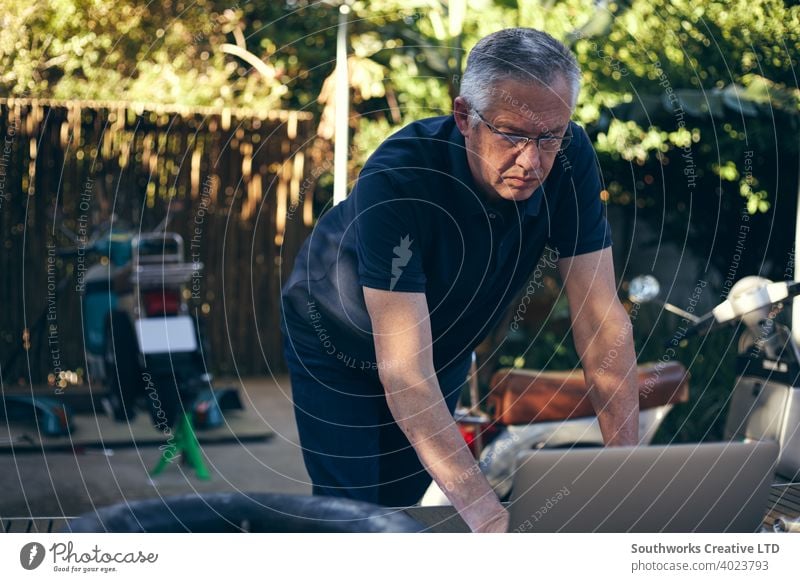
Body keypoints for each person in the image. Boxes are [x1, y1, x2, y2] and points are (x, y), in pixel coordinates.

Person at [280, 27, 639, 533]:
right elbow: (404, 371)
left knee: (404, 509)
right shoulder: (400, 175)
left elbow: (601, 319)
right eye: (512, 134)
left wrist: (631, 477)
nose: (531, 160)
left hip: (441, 344)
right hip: (336, 338)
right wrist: (486, 514)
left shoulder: (571, 158)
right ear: (465, 117)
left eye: (550, 136)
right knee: (355, 516)